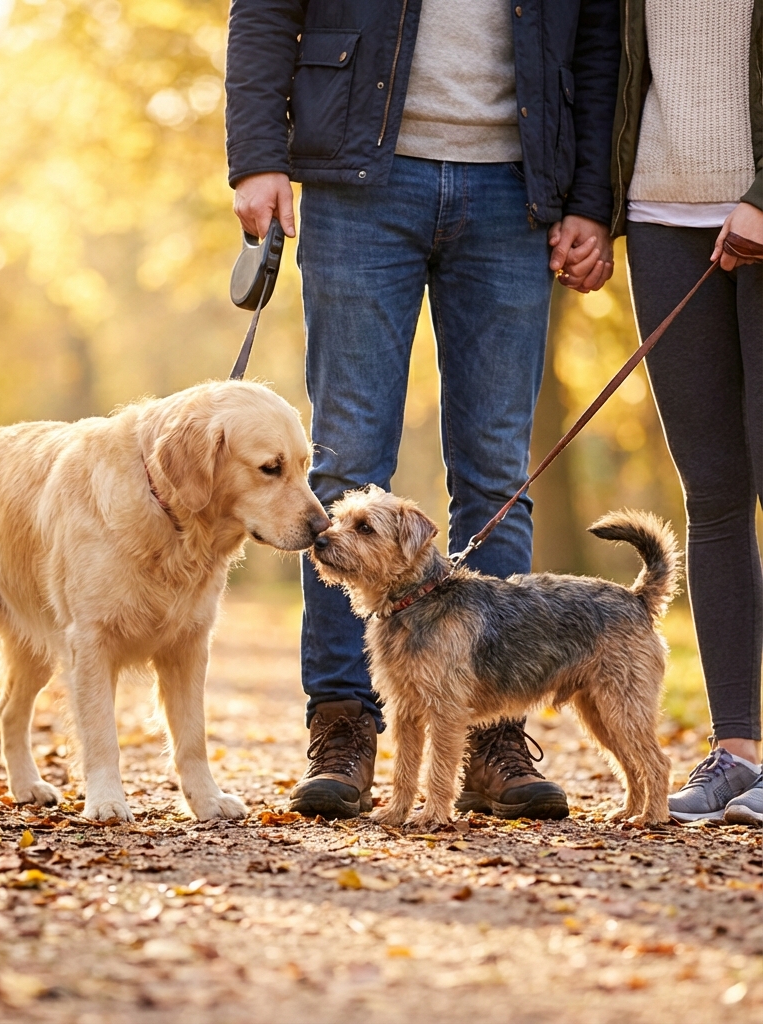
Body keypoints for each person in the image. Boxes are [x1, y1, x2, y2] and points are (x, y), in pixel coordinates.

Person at [225, 0, 621, 819]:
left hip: (519, 186)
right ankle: (344, 723)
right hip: (359, 174)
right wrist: (256, 155)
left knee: (498, 472)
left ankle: (491, 735)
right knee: (342, 461)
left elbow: (597, 43)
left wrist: (589, 197)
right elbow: (264, 12)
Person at [603, 0, 763, 824]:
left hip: (758, 207)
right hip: (662, 218)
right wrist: (595, 207)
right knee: (713, 492)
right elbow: (609, 67)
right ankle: (738, 753)